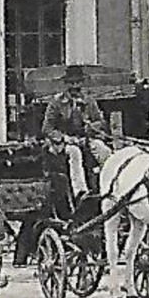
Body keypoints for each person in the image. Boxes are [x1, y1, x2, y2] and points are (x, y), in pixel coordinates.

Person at [42, 70, 109, 200]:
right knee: (75, 153)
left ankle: (105, 186)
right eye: (71, 83)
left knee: (104, 150)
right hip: (61, 143)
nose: (74, 86)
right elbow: (47, 128)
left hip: (85, 139)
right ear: (66, 84)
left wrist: (91, 128)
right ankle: (80, 192)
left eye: (77, 83)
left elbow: (100, 122)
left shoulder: (89, 101)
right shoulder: (56, 103)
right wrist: (65, 138)